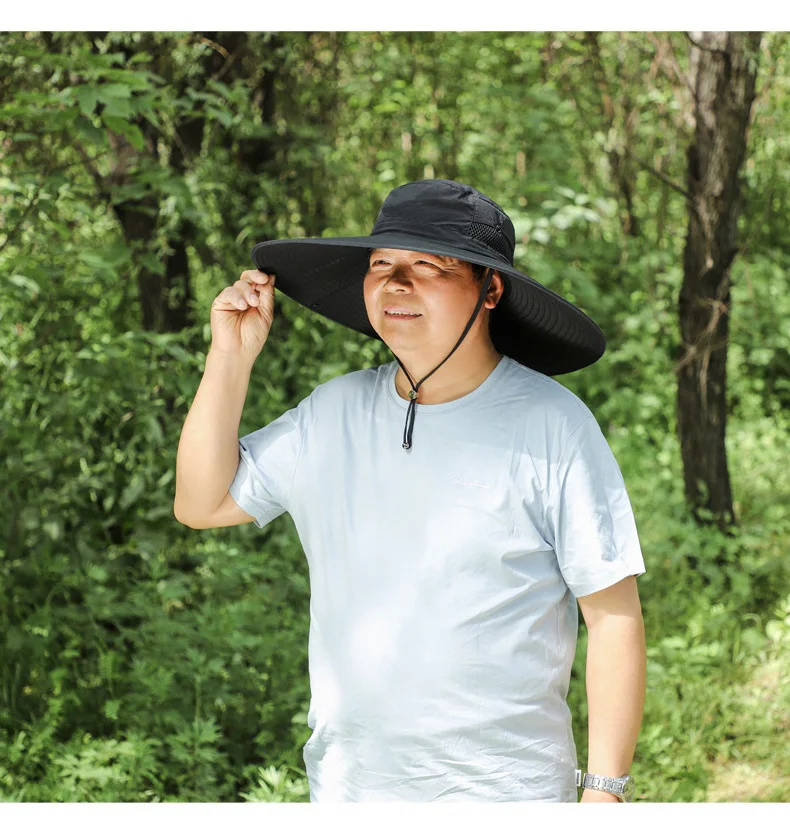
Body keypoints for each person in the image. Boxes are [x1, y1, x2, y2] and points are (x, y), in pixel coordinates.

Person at [174, 179, 647, 803]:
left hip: (508, 793)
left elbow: (613, 617)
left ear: (491, 289)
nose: (397, 283)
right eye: (382, 265)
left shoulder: (551, 424)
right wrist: (229, 357)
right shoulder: (331, 414)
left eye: (428, 265)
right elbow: (200, 503)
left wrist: (605, 792)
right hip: (350, 789)